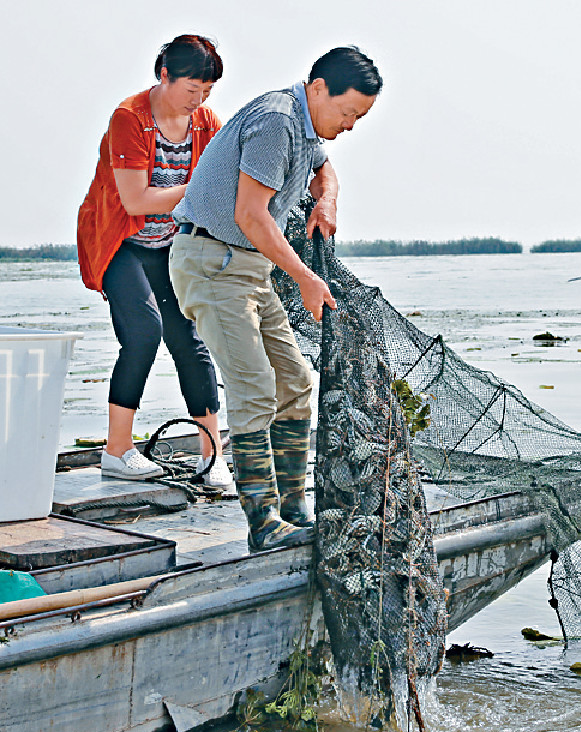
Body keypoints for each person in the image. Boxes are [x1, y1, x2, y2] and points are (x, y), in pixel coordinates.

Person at [169, 46, 382, 550]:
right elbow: (250, 215)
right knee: (255, 389)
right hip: (212, 262)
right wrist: (306, 276)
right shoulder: (278, 122)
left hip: (249, 268)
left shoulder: (309, 128)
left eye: (360, 118)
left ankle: (293, 509)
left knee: (295, 381)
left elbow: (324, 170)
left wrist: (326, 199)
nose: (350, 125)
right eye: (348, 112)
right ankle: (263, 523)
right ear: (319, 87)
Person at [77, 34, 232, 487]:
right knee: (144, 332)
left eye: (207, 92)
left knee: (191, 339)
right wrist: (199, 190)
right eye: (191, 90)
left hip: (169, 244)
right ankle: (117, 452)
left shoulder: (206, 122)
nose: (198, 101)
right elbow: (136, 199)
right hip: (119, 240)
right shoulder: (129, 118)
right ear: (164, 75)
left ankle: (212, 458)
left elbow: (230, 174)